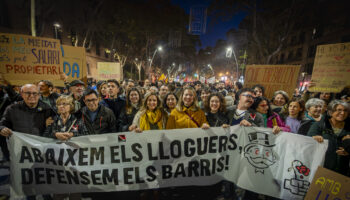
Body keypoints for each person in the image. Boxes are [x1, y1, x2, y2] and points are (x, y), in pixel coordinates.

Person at [0, 84, 54, 163]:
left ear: (39, 95)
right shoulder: (12, 109)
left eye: (35, 93)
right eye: (28, 93)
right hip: (20, 151)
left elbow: (56, 126)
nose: (31, 96)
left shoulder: (47, 109)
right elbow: (2, 124)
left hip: (41, 150)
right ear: (21, 94)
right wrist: (2, 129)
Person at [307, 100, 350, 175]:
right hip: (321, 168)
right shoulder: (319, 125)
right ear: (330, 112)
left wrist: (348, 151)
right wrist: (314, 138)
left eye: (345, 110)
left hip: (343, 171)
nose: (342, 113)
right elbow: (307, 141)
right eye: (339, 110)